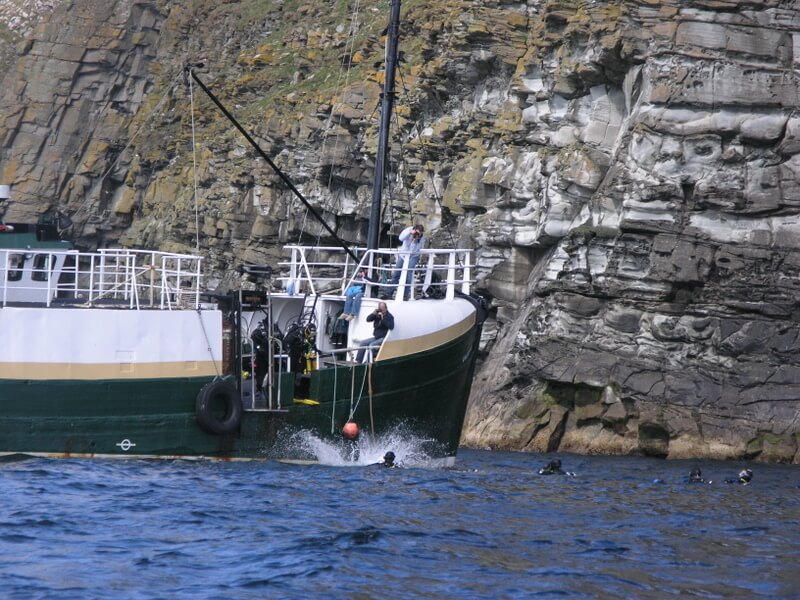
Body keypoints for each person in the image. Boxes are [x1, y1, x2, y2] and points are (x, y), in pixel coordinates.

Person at [387, 224, 426, 300]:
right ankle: (389, 293)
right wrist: (409, 233)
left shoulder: (422, 238)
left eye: (420, 233)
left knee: (409, 274)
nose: (418, 234)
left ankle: (405, 295)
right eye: (417, 232)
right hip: (402, 255)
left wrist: (414, 242)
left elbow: (412, 251)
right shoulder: (408, 230)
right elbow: (401, 238)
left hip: (413, 256)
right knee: (396, 274)